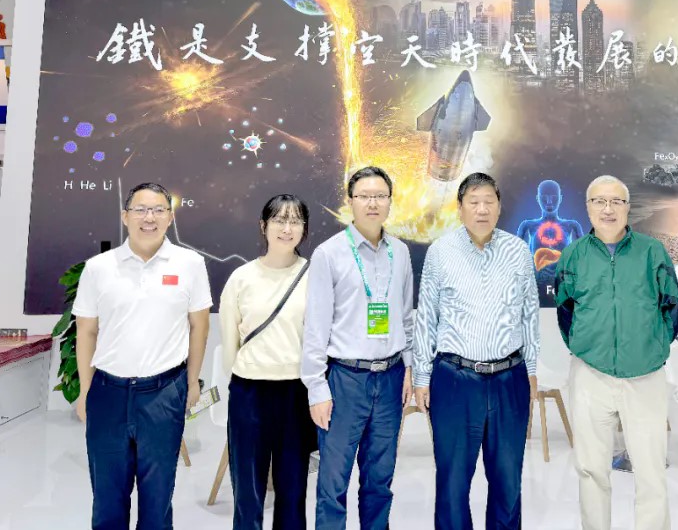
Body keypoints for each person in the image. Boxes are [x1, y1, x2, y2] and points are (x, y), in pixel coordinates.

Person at [73, 182, 212, 530]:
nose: (149, 218)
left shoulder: (190, 264)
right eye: (140, 210)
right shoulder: (99, 267)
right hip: (108, 392)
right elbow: (86, 332)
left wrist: (192, 381)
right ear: (125, 216)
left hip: (164, 392)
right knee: (107, 499)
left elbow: (199, 326)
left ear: (170, 217)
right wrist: (87, 392)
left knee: (157, 499)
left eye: (158, 210)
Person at [555, 175, 678, 530]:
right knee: (591, 469)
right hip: (590, 375)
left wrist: (653, 348)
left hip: (645, 375)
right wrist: (583, 346)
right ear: (588, 207)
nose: (607, 209)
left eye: (616, 201)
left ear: (628, 207)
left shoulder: (651, 251)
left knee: (651, 471)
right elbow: (566, 310)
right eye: (599, 201)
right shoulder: (574, 254)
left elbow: (671, 305)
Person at [414, 172, 538, 530]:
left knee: (508, 480)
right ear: (460, 208)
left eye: (489, 202)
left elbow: (530, 313)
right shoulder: (441, 252)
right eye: (474, 202)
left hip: (510, 378)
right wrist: (422, 376)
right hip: (454, 379)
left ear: (499, 207)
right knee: (452, 482)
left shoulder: (517, 250)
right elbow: (427, 317)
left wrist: (531, 370)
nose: (482, 209)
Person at [301, 166, 414, 530]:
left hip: (391, 377)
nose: (372, 203)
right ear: (350, 201)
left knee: (380, 481)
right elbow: (315, 326)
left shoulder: (400, 252)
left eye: (380, 196)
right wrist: (316, 388)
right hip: (345, 380)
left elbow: (406, 316)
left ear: (390, 202)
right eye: (364, 196)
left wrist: (409, 366)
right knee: (333, 482)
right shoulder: (329, 253)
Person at [220, 194, 317, 530]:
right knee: (247, 490)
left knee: (293, 489)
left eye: (295, 221)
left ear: (304, 229)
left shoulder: (315, 276)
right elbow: (229, 342)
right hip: (249, 392)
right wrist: (244, 375)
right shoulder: (242, 277)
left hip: (297, 393)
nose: (286, 228)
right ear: (263, 226)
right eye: (279, 220)